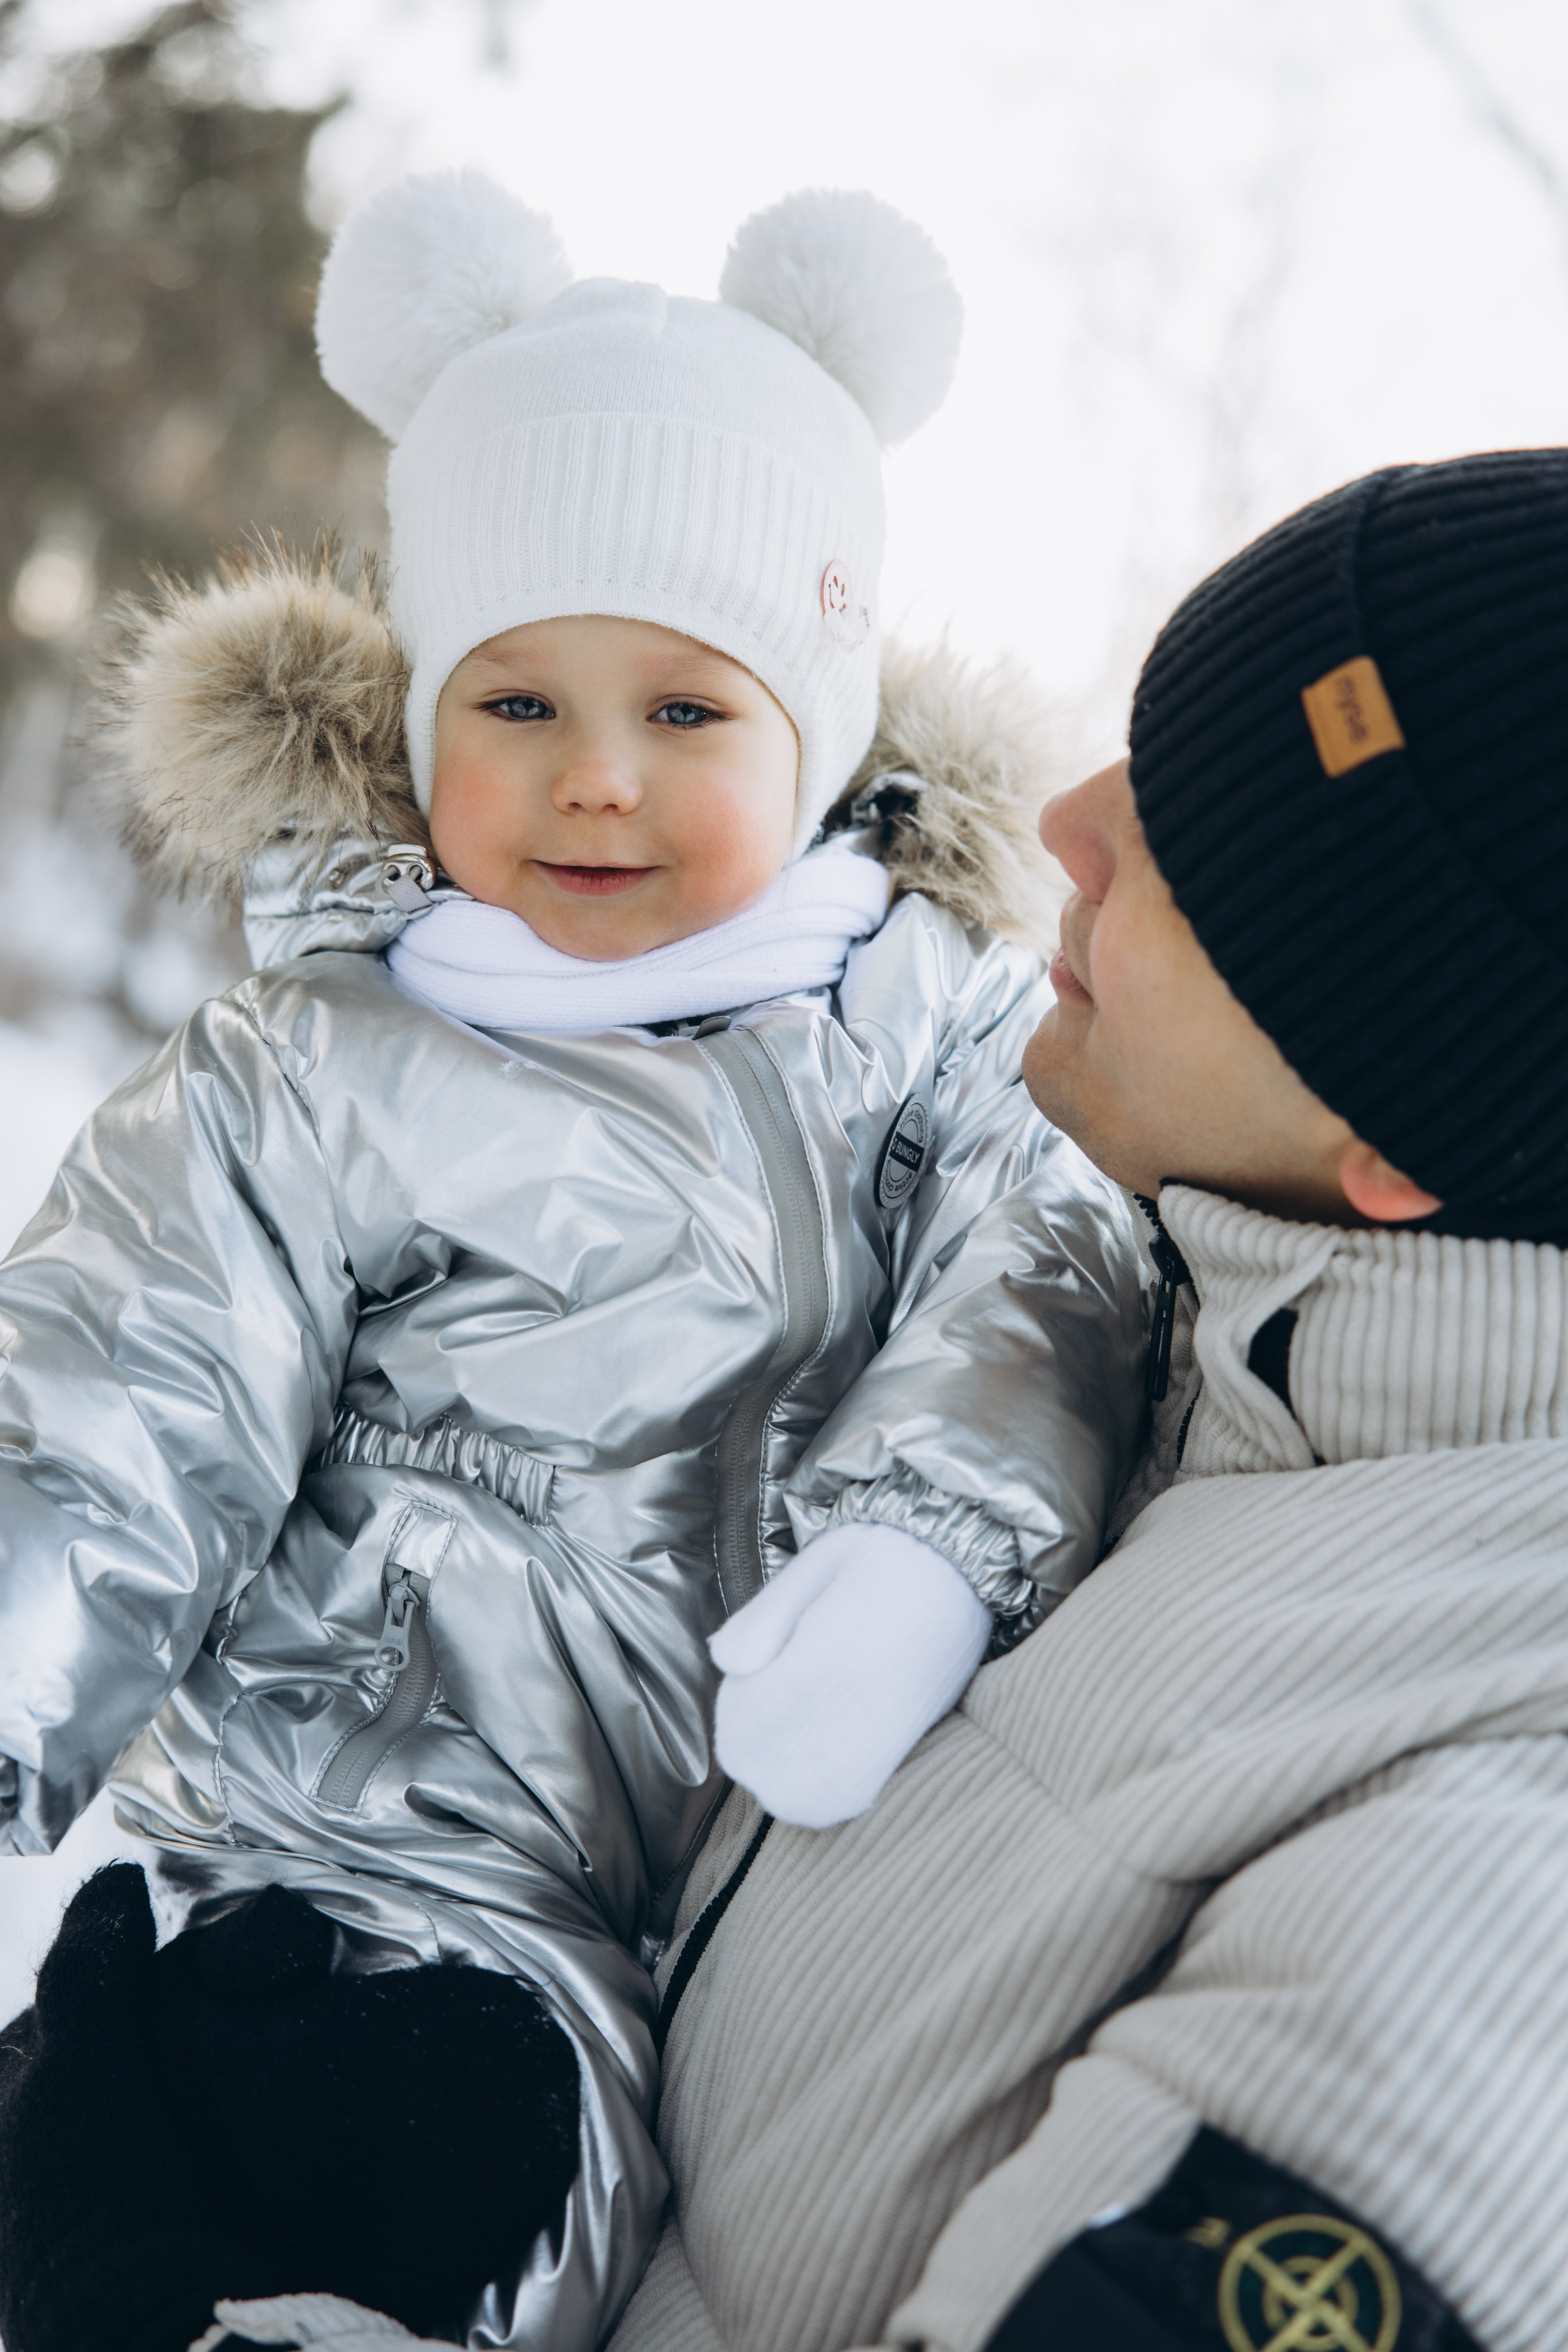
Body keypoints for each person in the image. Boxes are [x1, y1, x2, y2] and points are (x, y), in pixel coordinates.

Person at [0, 173, 1149, 2352]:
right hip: (264, 1841)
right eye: (517, 706)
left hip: (600, 1938)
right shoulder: (319, 1054)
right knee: (93, 2158)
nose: (596, 783)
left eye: (688, 714)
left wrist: (927, 1543)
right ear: (425, 716)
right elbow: (120, 1379)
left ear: (809, 732)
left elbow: (1054, 1266)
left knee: (459, 2200)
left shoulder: (920, 1036)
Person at [611, 448, 1568, 2352]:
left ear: (1397, 1126)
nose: (1069, 818)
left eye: (1201, 855)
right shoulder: (1186, 1340)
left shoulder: (1513, 1871)